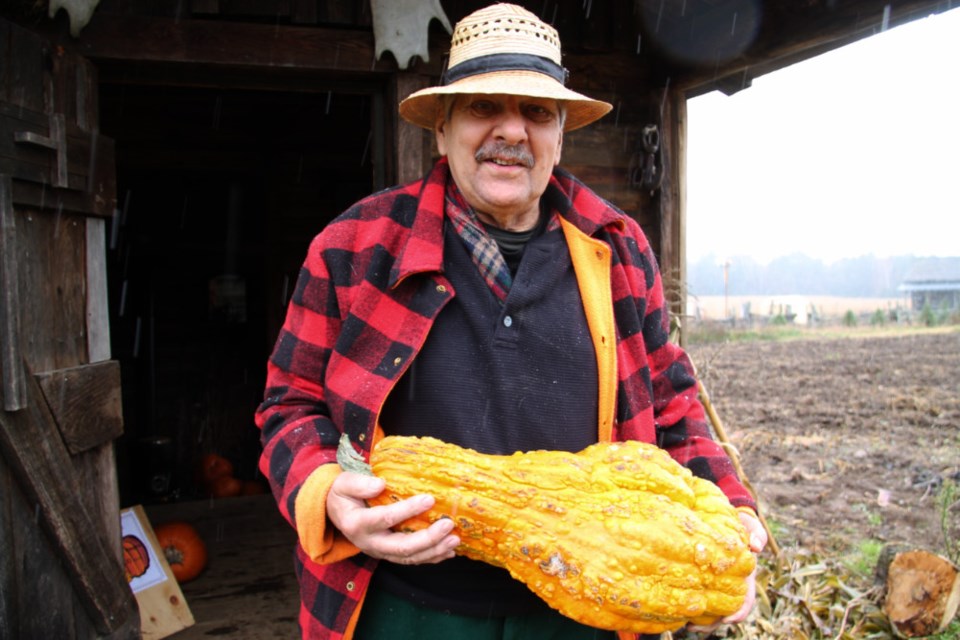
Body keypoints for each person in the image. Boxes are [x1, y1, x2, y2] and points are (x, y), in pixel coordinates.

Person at [255, 4, 767, 639]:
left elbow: (673, 404)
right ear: (440, 131)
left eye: (536, 112)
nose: (512, 131)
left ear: (559, 134)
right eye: (482, 108)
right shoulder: (354, 247)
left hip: (587, 606)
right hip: (398, 605)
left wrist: (730, 513)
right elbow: (288, 405)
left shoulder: (618, 247)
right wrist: (325, 491)